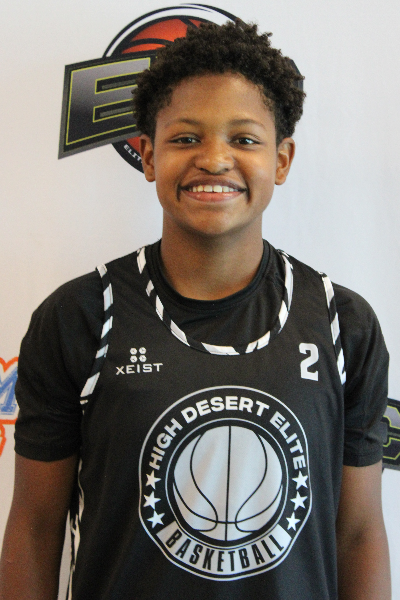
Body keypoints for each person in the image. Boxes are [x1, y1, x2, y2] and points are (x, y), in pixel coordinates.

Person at [0, 20, 391, 600]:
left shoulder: (342, 323)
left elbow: (357, 533)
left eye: (244, 139)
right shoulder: (82, 315)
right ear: (147, 155)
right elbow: (34, 527)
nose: (214, 159)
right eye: (185, 138)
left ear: (282, 160)